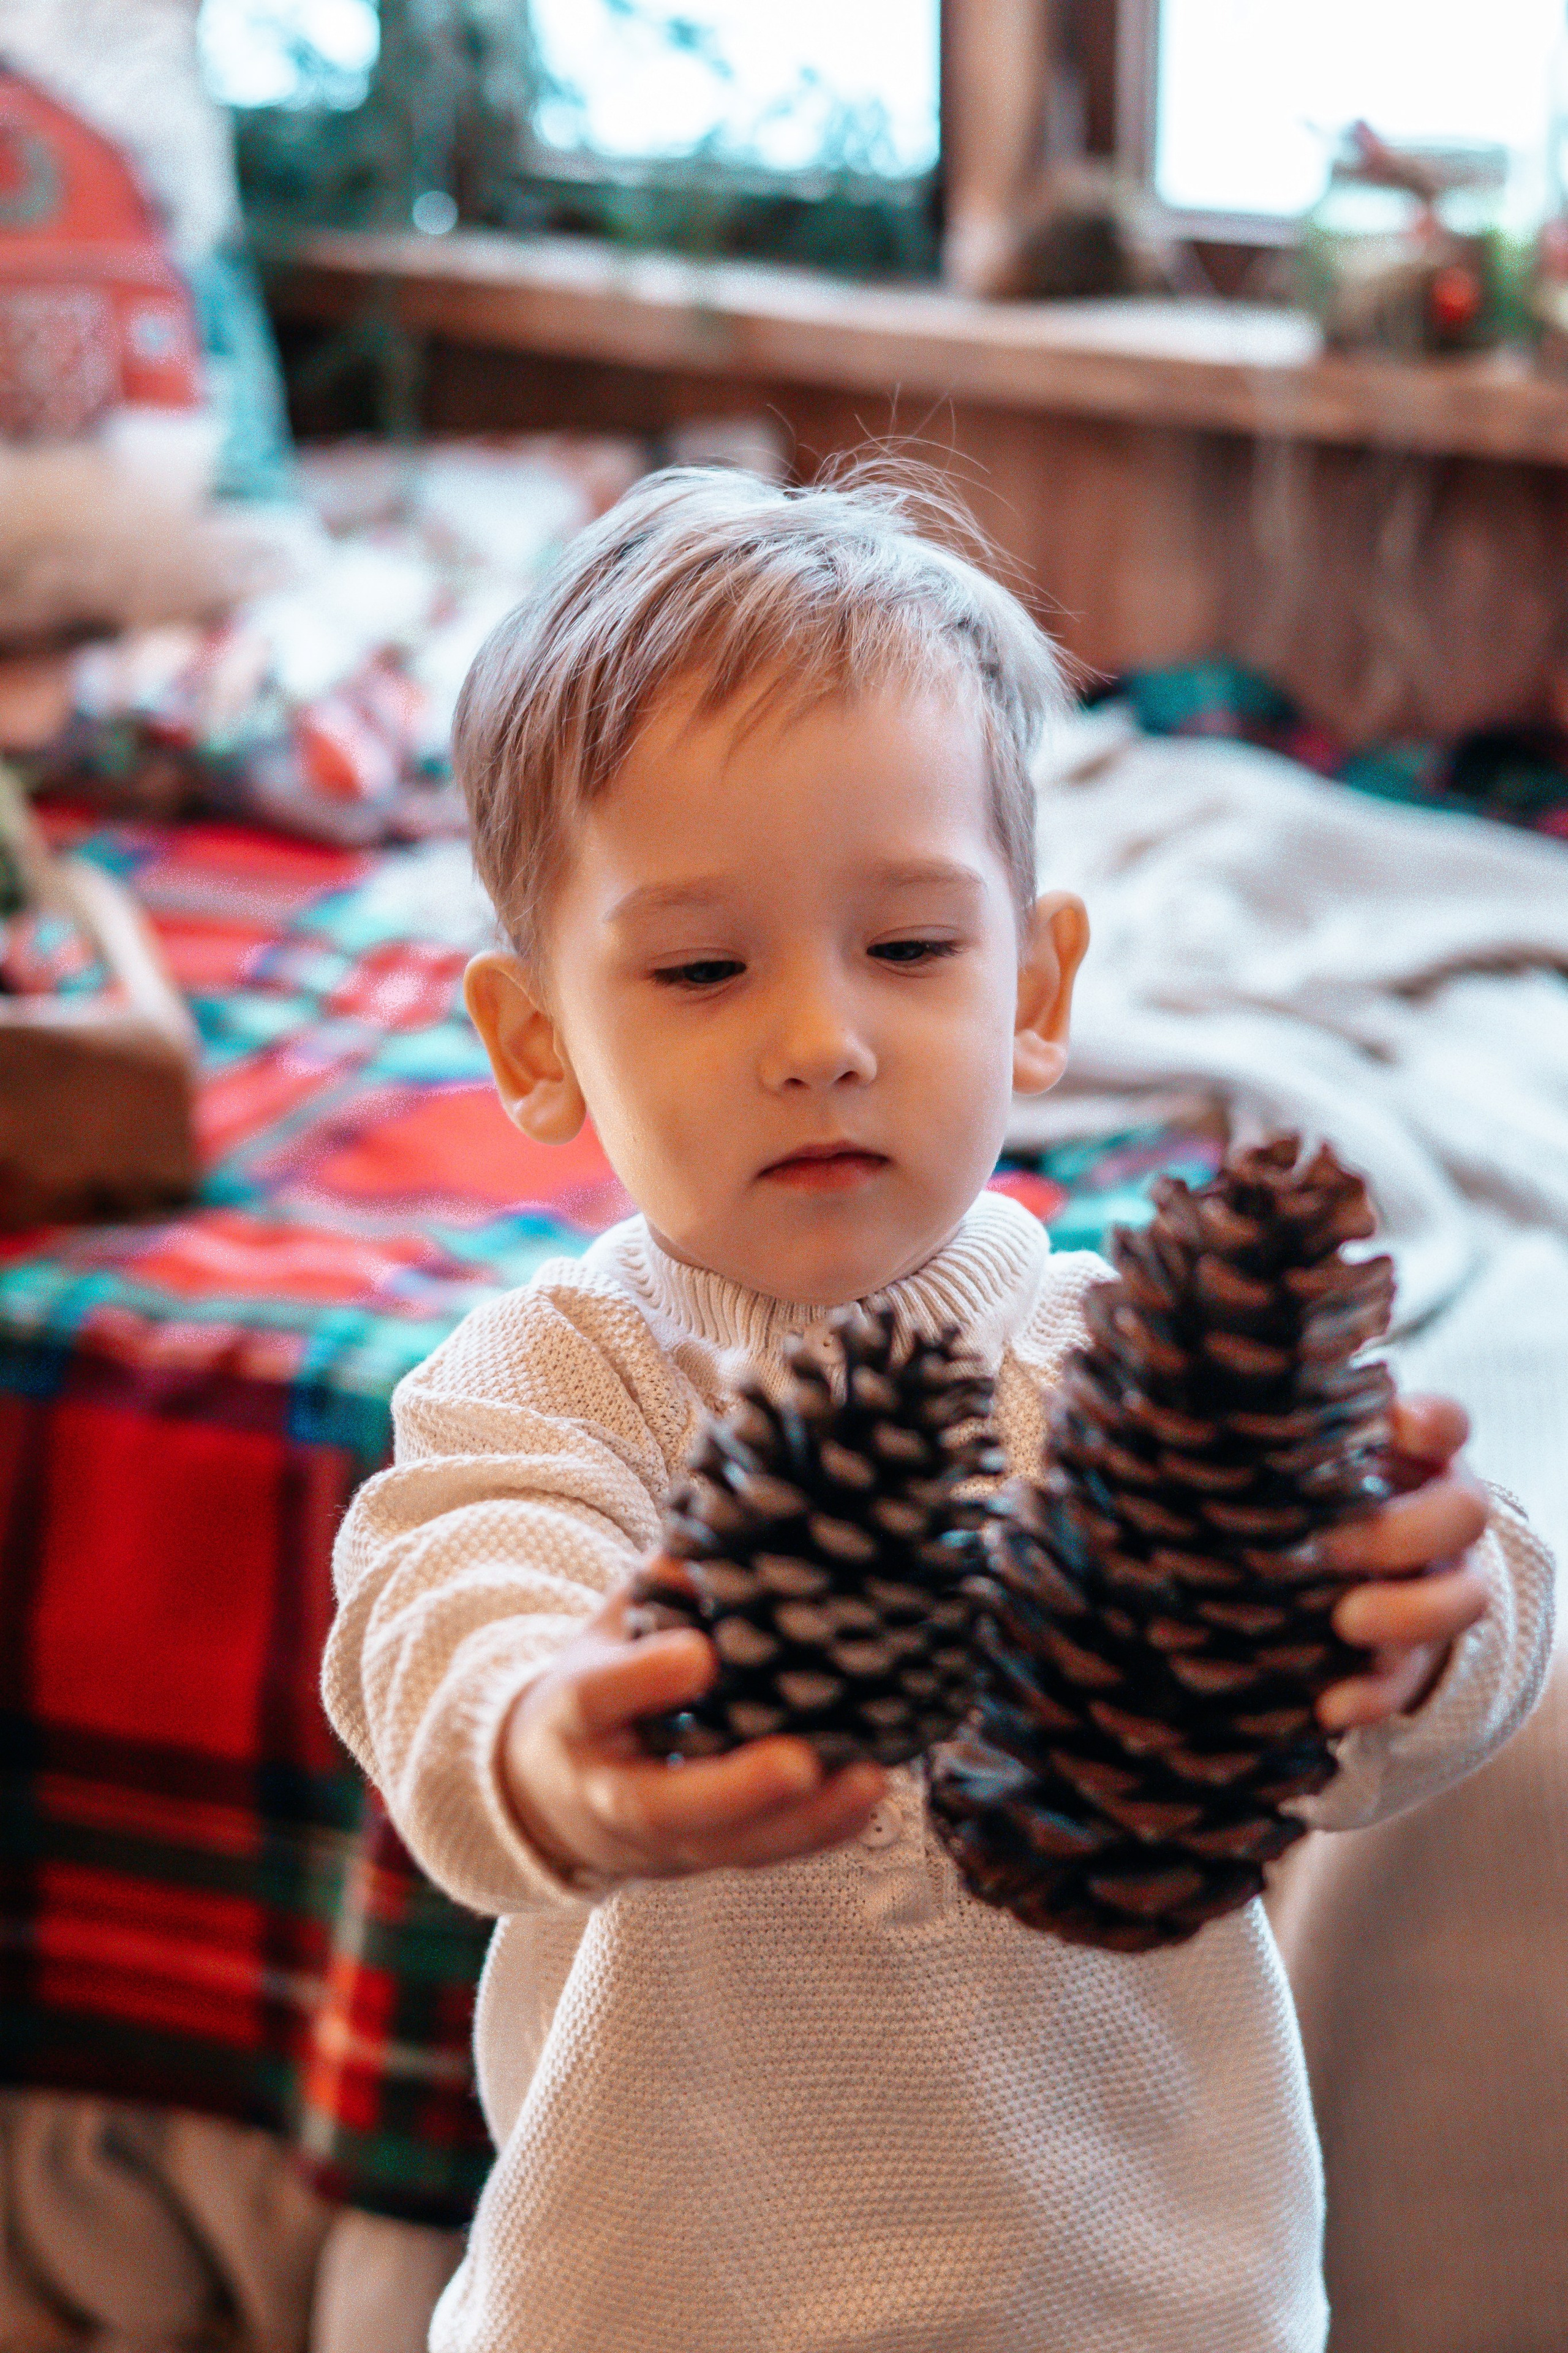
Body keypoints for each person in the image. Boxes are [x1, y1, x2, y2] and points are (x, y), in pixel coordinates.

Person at [322, 467, 1555, 2353]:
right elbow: (446, 1619)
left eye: (909, 947)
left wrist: (1420, 1625)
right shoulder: (548, 1389)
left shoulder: (1142, 1367)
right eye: (703, 967)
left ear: (1038, 988)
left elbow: (1456, 1647)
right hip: (654, 2308)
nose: (821, 1038)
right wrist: (547, 1739)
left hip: (1152, 2311)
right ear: (535, 1041)